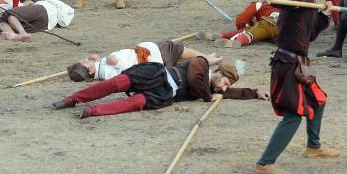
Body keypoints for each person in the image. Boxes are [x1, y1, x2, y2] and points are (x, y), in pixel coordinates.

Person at [255, 0, 339, 174]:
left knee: (318, 101)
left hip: (300, 62)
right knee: (293, 115)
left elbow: (308, 36)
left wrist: (323, 16)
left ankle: (314, 147)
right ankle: (265, 162)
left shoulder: (310, 0)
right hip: (287, 64)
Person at [53, 58, 264, 118]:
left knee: (134, 103)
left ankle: (92, 111)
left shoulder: (212, 90)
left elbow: (232, 93)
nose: (225, 89)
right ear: (220, 72)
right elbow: (193, 77)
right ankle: (73, 99)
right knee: (116, 83)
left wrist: (254, 93)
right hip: (157, 74)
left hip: (165, 94)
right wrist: (209, 97)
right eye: (226, 83)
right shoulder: (201, 65)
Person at [66, 40, 221, 82]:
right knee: (175, 48)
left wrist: (97, 60)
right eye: (84, 62)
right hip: (149, 59)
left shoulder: (100, 69)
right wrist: (113, 61)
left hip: (149, 57)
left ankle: (206, 59)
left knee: (178, 56)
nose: (85, 60)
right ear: (90, 70)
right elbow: (125, 71)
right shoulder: (107, 70)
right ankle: (207, 60)